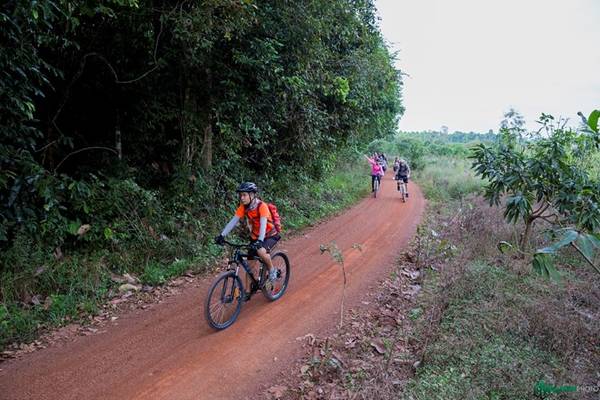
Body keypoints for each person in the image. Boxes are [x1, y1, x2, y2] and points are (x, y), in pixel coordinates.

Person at [214, 182, 280, 282]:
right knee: (250, 266)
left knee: (261, 251)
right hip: (255, 237)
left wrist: (260, 241)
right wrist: (222, 235)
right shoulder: (244, 207)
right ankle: (247, 294)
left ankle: (272, 270)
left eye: (244, 195)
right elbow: (233, 221)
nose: (242, 198)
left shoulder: (262, 206)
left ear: (252, 195)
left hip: (269, 235)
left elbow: (263, 224)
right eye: (241, 195)